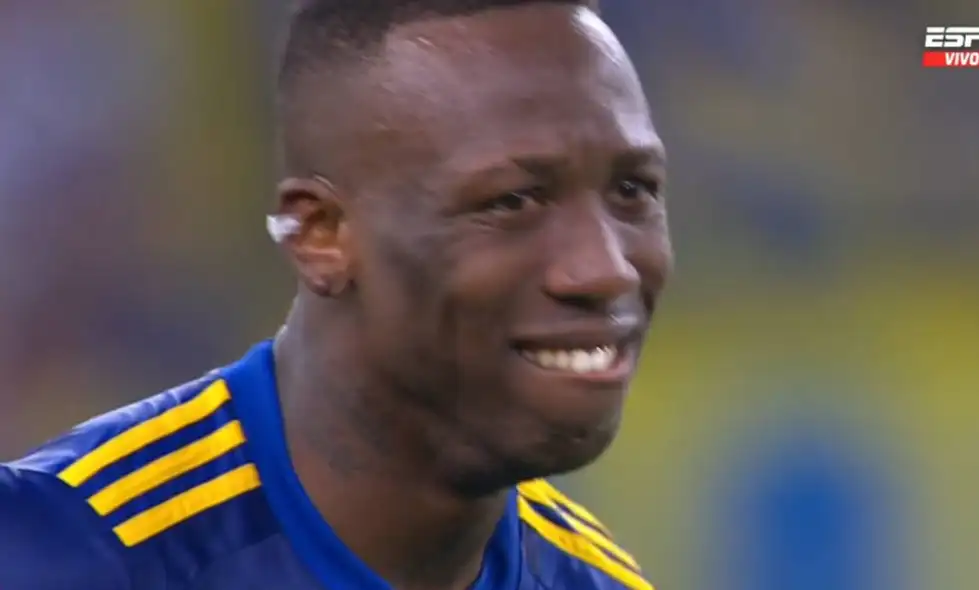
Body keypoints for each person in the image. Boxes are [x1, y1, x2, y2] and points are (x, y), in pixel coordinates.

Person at [0, 0, 672, 588]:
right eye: (512, 201)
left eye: (632, 190)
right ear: (321, 233)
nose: (606, 270)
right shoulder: (61, 551)